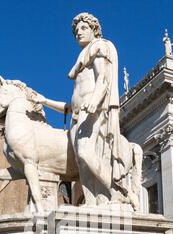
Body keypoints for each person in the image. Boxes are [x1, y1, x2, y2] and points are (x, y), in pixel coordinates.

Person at [35, 12, 128, 206]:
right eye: (76, 30)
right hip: (78, 116)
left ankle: (117, 192)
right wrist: (45, 101)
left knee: (86, 154)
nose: (79, 33)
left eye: (83, 28)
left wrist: (94, 100)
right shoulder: (82, 56)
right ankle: (92, 202)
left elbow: (103, 77)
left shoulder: (98, 47)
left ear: (94, 30)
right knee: (82, 165)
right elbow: (70, 107)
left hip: (92, 112)